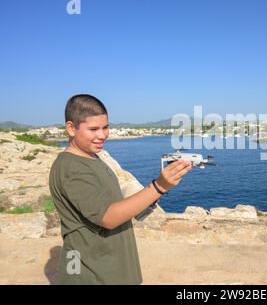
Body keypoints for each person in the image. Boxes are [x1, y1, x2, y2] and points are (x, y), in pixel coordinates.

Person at [49, 94, 192, 284]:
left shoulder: (90, 157)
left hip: (110, 268)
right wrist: (158, 186)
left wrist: (159, 191)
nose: (102, 135)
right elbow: (108, 217)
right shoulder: (71, 168)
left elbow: (115, 205)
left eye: (105, 127)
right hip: (91, 274)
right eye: (93, 129)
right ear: (71, 128)